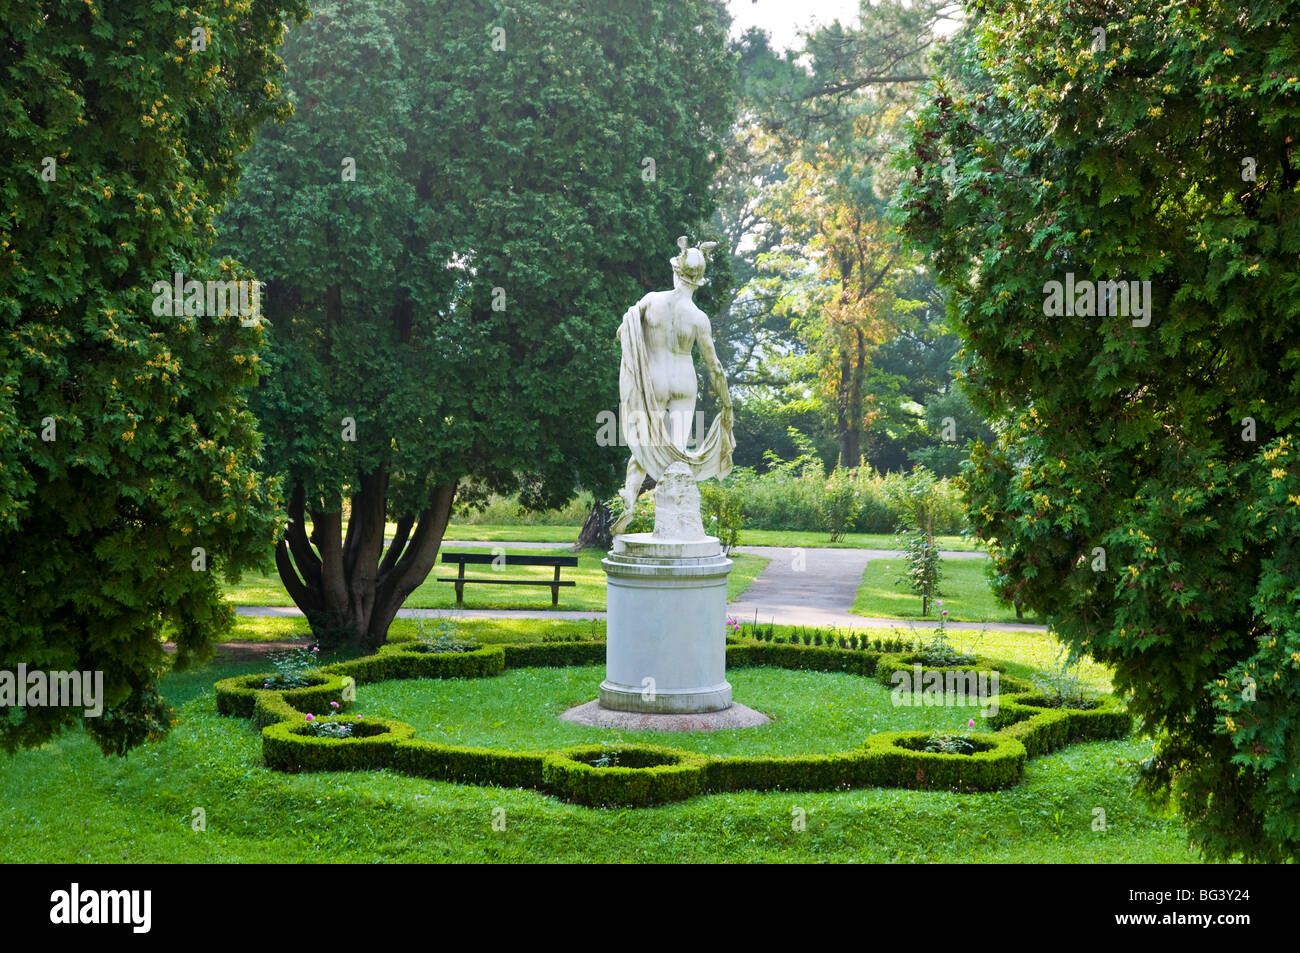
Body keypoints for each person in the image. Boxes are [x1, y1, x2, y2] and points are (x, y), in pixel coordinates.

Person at [611, 236, 735, 535]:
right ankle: (677, 521)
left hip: (654, 379)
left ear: (675, 272)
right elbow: (714, 366)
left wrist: (640, 349)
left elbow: (621, 333)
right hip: (684, 382)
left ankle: (630, 494)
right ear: (699, 280)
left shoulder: (653, 300)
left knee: (645, 440)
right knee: (677, 453)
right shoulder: (699, 318)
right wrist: (727, 402)